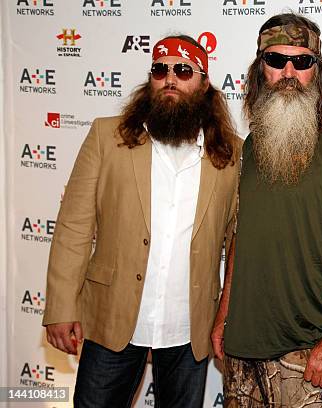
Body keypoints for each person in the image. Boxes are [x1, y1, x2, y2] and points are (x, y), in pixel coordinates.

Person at [42, 34, 241, 407]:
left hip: (189, 326)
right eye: (160, 69)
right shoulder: (107, 136)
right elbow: (74, 226)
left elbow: (238, 243)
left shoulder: (230, 154)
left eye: (183, 70)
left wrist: (229, 317)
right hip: (113, 319)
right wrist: (60, 307)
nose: (170, 78)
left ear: (203, 82)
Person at [210, 13, 322, 407]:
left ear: (317, 73)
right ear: (259, 70)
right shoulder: (251, 146)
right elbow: (242, 235)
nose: (289, 71)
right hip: (242, 350)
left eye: (302, 61)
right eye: (276, 60)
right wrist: (224, 312)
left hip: (307, 354)